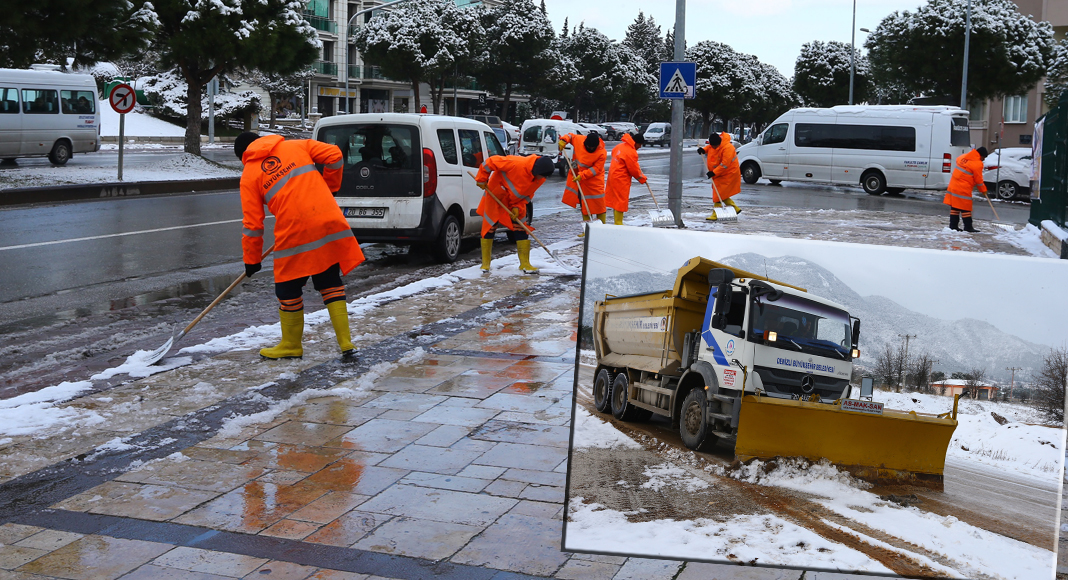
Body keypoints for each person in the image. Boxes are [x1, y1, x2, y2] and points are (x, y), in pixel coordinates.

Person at [235, 132, 365, 360]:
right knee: (329, 281)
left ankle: (291, 345)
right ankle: (345, 342)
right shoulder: (296, 145)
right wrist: (330, 187)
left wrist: (252, 260)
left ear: (244, 155)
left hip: (295, 230)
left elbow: (253, 225)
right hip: (328, 219)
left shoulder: (249, 175)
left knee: (287, 289)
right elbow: (335, 155)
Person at [474, 155, 556, 274]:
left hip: (515, 201)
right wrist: (482, 179)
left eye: (544, 176)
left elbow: (528, 194)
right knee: (490, 225)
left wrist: (517, 207)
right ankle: (485, 264)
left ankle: (525, 263)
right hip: (497, 194)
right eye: (541, 175)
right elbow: (489, 162)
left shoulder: (540, 178)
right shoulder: (515, 163)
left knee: (521, 227)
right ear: (535, 170)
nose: (542, 178)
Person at [558, 132, 607, 231]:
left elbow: (596, 169)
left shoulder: (602, 153)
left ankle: (601, 229)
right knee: (584, 204)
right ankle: (587, 231)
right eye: (588, 146)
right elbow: (570, 136)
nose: (590, 148)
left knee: (599, 205)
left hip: (594, 180)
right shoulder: (579, 140)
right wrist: (564, 140)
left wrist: (583, 175)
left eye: (592, 147)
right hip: (580, 177)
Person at [604, 132, 648, 225]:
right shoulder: (631, 152)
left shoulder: (620, 146)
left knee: (615, 200)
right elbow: (634, 170)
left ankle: (617, 221)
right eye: (640, 144)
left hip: (612, 175)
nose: (640, 147)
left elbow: (613, 154)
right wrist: (642, 178)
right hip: (621, 179)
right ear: (636, 143)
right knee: (620, 201)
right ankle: (618, 222)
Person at [698, 132, 742, 220]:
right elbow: (710, 148)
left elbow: (724, 164)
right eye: (712, 145)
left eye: (715, 146)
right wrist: (703, 150)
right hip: (719, 172)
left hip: (728, 172)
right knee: (720, 192)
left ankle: (716, 213)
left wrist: (714, 172)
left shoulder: (727, 148)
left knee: (717, 192)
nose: (713, 147)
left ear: (719, 143)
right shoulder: (714, 144)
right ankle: (734, 208)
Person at [944, 147, 988, 233]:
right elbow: (979, 180)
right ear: (980, 155)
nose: (983, 160)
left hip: (954, 185)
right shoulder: (977, 164)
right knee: (965, 208)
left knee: (955, 207)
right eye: (984, 157)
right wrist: (983, 190)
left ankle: (953, 226)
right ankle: (968, 227)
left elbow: (957, 160)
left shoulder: (963, 157)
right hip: (963, 188)